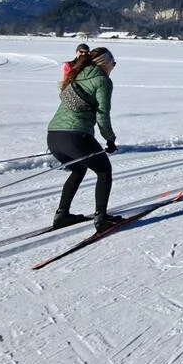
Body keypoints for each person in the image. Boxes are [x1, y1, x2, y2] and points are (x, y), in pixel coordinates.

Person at [48, 47, 122, 232]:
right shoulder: (102, 81)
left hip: (54, 136)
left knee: (78, 169)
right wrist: (110, 139)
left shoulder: (76, 75)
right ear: (103, 62)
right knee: (104, 170)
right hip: (75, 136)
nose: (114, 65)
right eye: (112, 61)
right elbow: (102, 114)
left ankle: (62, 215)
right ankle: (101, 219)